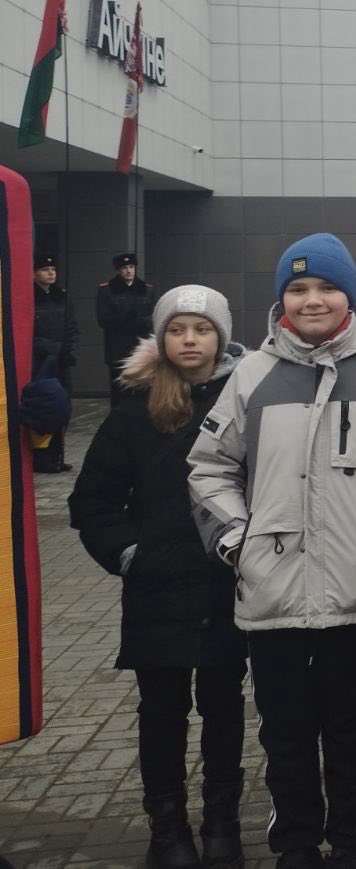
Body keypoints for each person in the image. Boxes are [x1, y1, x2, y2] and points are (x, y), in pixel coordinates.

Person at [188, 233, 356, 869]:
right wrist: (238, 542)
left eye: (326, 287)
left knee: (351, 728)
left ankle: (350, 845)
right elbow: (209, 468)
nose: (312, 300)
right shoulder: (252, 375)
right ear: (280, 300)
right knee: (284, 731)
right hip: (272, 593)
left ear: (351, 296)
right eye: (297, 289)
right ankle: (294, 844)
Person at [69, 285, 249, 869]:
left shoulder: (245, 401)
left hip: (226, 586)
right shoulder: (135, 411)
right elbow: (93, 501)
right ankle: (167, 830)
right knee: (162, 712)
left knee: (224, 707)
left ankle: (222, 822)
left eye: (202, 328)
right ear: (161, 338)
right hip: (158, 589)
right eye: (177, 329)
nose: (189, 339)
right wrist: (130, 554)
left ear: (221, 336)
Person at [31, 252, 78, 473]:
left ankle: (58, 455)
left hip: (61, 362)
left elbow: (72, 328)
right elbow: (28, 334)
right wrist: (54, 348)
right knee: (44, 409)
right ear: (34, 273)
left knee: (63, 408)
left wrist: (69, 350)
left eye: (53, 270)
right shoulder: (30, 298)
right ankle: (42, 458)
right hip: (40, 363)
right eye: (45, 270)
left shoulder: (62, 296)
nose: (51, 273)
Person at [97, 251, 156, 408]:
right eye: (124, 268)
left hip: (141, 347)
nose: (129, 271)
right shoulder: (107, 290)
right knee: (119, 391)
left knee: (142, 389)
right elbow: (103, 319)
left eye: (131, 267)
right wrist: (125, 319)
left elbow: (154, 316)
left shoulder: (147, 290)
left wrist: (142, 322)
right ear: (119, 270)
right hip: (118, 347)